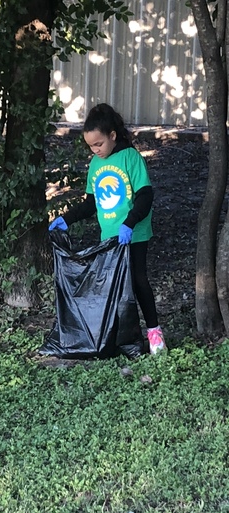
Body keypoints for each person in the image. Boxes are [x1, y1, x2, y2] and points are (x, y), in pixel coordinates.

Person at [49, 103, 166, 355]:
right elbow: (91, 203)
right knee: (114, 287)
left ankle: (154, 333)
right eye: (91, 146)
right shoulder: (95, 164)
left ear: (112, 135)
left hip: (133, 234)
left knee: (138, 281)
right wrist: (67, 219)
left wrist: (129, 223)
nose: (95, 150)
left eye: (99, 144)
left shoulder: (130, 158)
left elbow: (145, 196)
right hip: (110, 238)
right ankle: (119, 337)